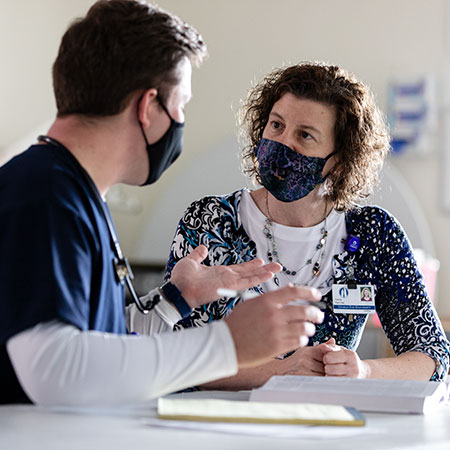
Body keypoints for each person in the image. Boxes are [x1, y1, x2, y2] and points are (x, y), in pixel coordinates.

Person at [0, 1, 325, 405]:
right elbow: (56, 368)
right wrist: (227, 345)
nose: (181, 120)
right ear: (147, 106)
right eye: (180, 105)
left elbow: (101, 346)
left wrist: (176, 299)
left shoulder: (73, 193)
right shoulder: (45, 195)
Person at [166, 62, 450, 390]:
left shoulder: (372, 234)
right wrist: (283, 371)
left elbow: (433, 358)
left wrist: (363, 371)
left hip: (325, 425)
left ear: (339, 161)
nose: (283, 143)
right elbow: (174, 359)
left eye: (304, 135)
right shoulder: (211, 222)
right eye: (276, 125)